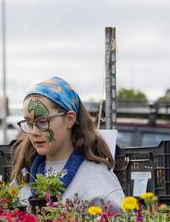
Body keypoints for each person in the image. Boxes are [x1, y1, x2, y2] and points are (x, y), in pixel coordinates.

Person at [10, 76, 125, 210]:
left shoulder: (98, 180)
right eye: (29, 123)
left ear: (69, 119)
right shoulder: (23, 177)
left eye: (42, 121)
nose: (34, 132)